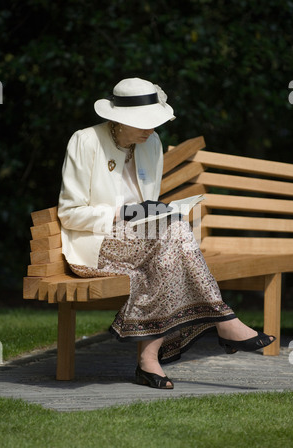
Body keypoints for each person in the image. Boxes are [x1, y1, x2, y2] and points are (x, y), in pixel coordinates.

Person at [58, 77, 275, 389]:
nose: (150, 129)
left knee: (169, 245)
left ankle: (150, 362)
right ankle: (223, 321)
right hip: (96, 243)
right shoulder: (85, 141)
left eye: (154, 122)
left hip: (146, 240)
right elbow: (69, 213)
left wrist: (152, 212)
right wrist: (127, 213)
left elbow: (151, 205)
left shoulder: (152, 143)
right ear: (118, 120)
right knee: (173, 235)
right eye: (143, 123)